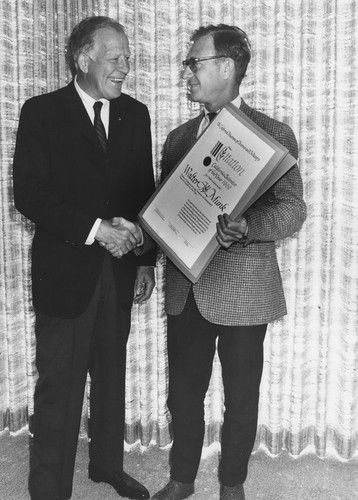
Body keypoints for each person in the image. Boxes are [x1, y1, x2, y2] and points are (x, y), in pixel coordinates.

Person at [151, 24, 307, 500]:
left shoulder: (274, 135)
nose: (188, 72)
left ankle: (232, 484)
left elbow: (292, 209)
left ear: (226, 67)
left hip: (245, 290)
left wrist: (249, 227)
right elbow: (167, 208)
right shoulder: (178, 138)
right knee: (183, 395)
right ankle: (181, 479)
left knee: (241, 398)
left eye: (194, 62)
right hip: (186, 289)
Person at [13, 16, 156, 500]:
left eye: (127, 58)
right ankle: (49, 488)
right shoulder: (41, 112)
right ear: (83, 59)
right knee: (60, 386)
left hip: (119, 272)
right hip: (66, 274)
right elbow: (29, 194)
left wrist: (143, 259)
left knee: (111, 375)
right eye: (116, 58)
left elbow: (144, 192)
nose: (125, 67)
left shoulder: (137, 114)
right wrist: (98, 231)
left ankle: (107, 468)